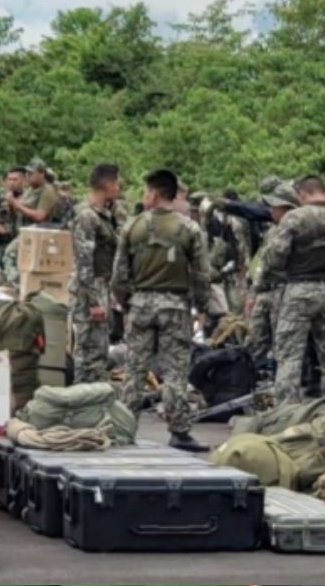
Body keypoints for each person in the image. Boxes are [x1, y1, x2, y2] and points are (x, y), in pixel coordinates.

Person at [111, 169, 211, 453]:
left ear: (154, 194)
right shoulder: (189, 229)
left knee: (134, 369)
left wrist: (127, 302)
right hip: (176, 306)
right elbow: (202, 274)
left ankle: (125, 428)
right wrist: (201, 307)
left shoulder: (133, 226)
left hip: (141, 304)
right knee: (175, 370)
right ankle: (179, 431)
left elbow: (119, 275)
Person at [260, 175, 325, 404]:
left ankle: (287, 413)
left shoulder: (294, 218)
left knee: (289, 356)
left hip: (299, 289)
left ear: (301, 195)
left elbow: (275, 258)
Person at [68, 163, 122, 383]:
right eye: (117, 182)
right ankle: (82, 395)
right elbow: (84, 262)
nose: (119, 187)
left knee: (99, 348)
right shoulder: (87, 216)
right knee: (88, 348)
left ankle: (94, 394)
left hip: (101, 285)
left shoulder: (103, 214)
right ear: (107, 184)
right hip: (89, 289)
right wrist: (93, 301)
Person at [246, 183, 300, 363]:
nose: (271, 210)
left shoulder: (298, 229)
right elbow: (263, 262)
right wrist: (253, 293)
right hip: (264, 290)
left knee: (282, 341)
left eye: (275, 206)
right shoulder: (272, 230)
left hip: (284, 290)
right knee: (254, 339)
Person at [11, 158, 59, 228]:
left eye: (31, 173)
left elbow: (40, 216)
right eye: (27, 173)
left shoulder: (47, 190)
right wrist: (12, 202)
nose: (27, 175)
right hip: (23, 230)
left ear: (41, 174)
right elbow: (19, 207)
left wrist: (16, 204)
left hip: (38, 232)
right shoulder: (30, 189)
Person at [0, 167, 24, 254]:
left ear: (23, 180)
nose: (11, 182)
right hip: (3, 240)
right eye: (9, 179)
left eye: (15, 180)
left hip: (21, 238)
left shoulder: (28, 196)